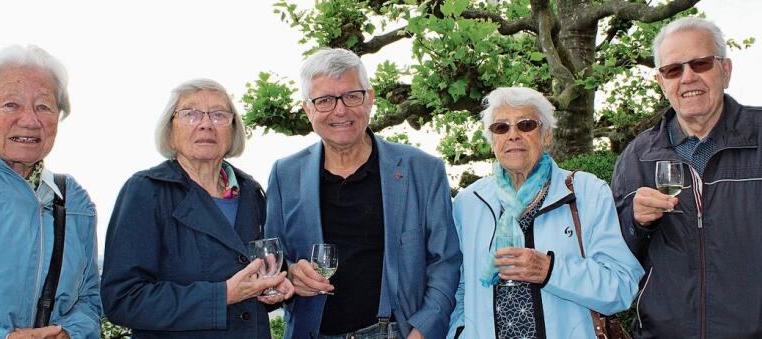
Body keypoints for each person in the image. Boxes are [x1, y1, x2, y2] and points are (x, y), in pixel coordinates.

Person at [265, 48, 461, 339]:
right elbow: (273, 259)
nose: (340, 110)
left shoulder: (423, 169)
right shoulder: (285, 173)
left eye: (351, 96)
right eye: (325, 100)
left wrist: (423, 331)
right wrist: (291, 274)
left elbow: (445, 261)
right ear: (308, 110)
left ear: (370, 99)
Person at [100, 79, 294, 338]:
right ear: (170, 130)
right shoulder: (146, 191)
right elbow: (122, 299)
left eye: (218, 114)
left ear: (233, 129)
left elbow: (263, 273)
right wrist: (221, 296)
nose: (205, 124)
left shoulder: (251, 192)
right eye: (190, 114)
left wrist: (277, 287)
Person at [448, 87, 643, 339]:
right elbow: (458, 289)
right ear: (492, 139)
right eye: (501, 127)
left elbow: (621, 286)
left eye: (526, 125)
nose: (513, 135)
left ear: (547, 135)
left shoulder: (587, 192)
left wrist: (550, 270)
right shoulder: (468, 203)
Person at [611, 16, 762, 338]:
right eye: (673, 69)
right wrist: (633, 221)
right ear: (661, 82)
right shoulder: (637, 156)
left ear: (726, 70)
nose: (688, 77)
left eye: (701, 63)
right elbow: (613, 257)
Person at [0, 45, 101, 338]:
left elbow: (89, 299)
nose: (30, 120)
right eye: (11, 104)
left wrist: (70, 333)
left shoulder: (72, 197)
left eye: (44, 106)